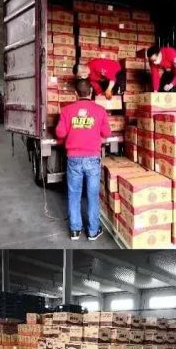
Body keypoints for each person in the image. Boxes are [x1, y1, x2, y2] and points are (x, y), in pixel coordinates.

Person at [55, 79, 112, 242]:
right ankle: (93, 231)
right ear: (91, 92)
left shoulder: (67, 110)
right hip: (92, 158)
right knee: (93, 195)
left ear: (75, 93)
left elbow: (60, 133)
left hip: (73, 158)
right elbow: (107, 133)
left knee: (74, 194)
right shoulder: (100, 110)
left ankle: (75, 230)